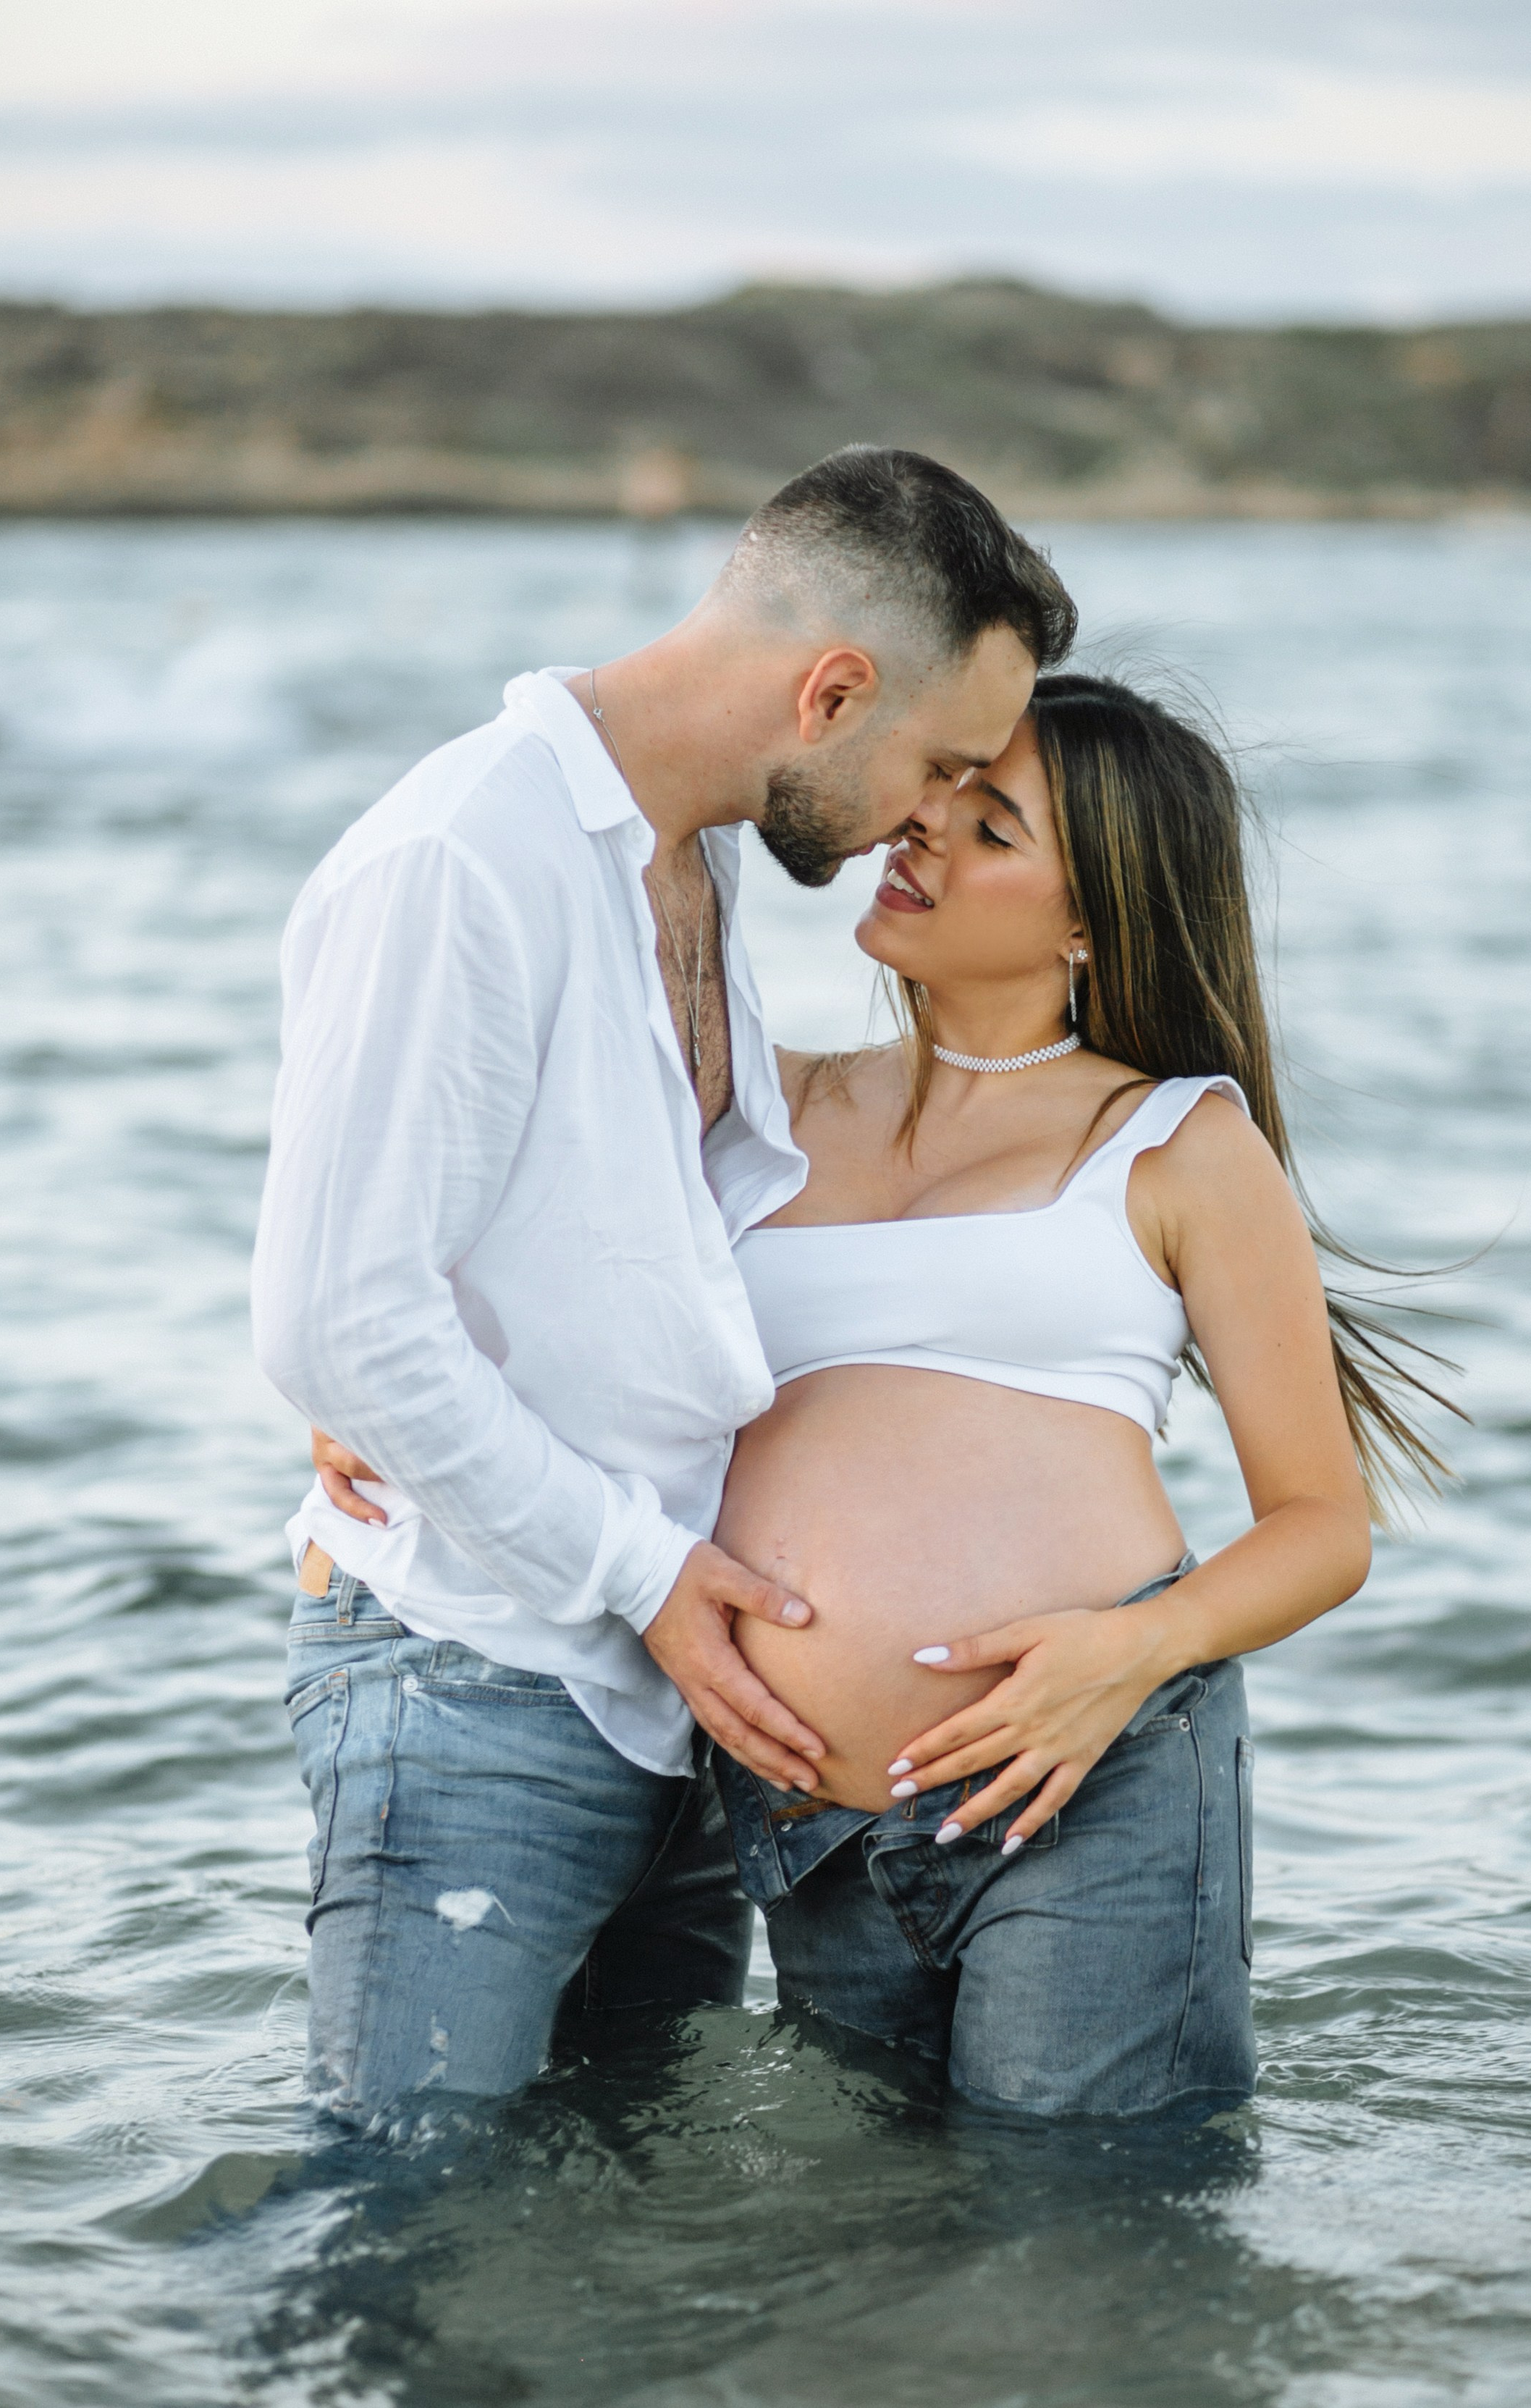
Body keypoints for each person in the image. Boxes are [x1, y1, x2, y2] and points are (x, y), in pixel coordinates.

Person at [250, 446, 1079, 2121]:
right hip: (473, 1675)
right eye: (937, 760)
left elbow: (595, 1265)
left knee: (618, 2242)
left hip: (672, 1717)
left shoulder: (681, 863)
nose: (929, 814)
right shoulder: (465, 858)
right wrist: (633, 1567)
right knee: (396, 2242)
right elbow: (338, 1307)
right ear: (831, 689)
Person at [705, 673, 1452, 2118]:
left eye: (985, 826)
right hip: (809, 1818)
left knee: (1078, 2262)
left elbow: (1320, 1525)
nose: (916, 833)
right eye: (933, 795)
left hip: (1088, 1789)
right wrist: (371, 1385)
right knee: (861, 2282)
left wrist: (1128, 1655)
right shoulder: (767, 1104)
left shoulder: (1175, 1140)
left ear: (1083, 921)